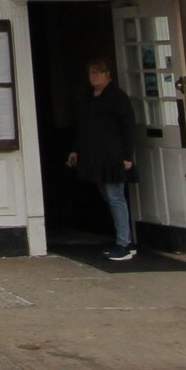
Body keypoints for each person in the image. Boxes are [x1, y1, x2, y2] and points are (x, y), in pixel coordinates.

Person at [67, 55, 138, 261]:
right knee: (109, 197)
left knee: (116, 198)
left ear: (108, 75)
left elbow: (128, 127)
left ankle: (123, 244)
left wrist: (127, 156)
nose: (94, 76)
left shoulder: (117, 97)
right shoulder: (89, 97)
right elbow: (84, 127)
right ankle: (123, 239)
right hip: (94, 156)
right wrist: (75, 149)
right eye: (91, 72)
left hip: (113, 156)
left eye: (98, 72)